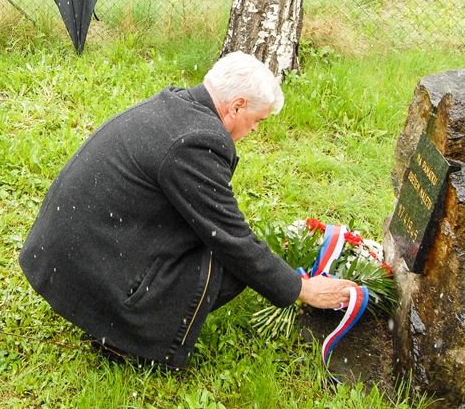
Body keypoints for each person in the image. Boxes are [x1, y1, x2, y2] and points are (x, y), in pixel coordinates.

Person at [19, 52, 358, 369]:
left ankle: (111, 312)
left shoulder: (176, 105)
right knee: (230, 267)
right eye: (257, 120)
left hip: (66, 254)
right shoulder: (196, 142)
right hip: (86, 264)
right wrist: (301, 289)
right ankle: (126, 337)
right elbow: (231, 238)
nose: (255, 130)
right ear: (237, 106)